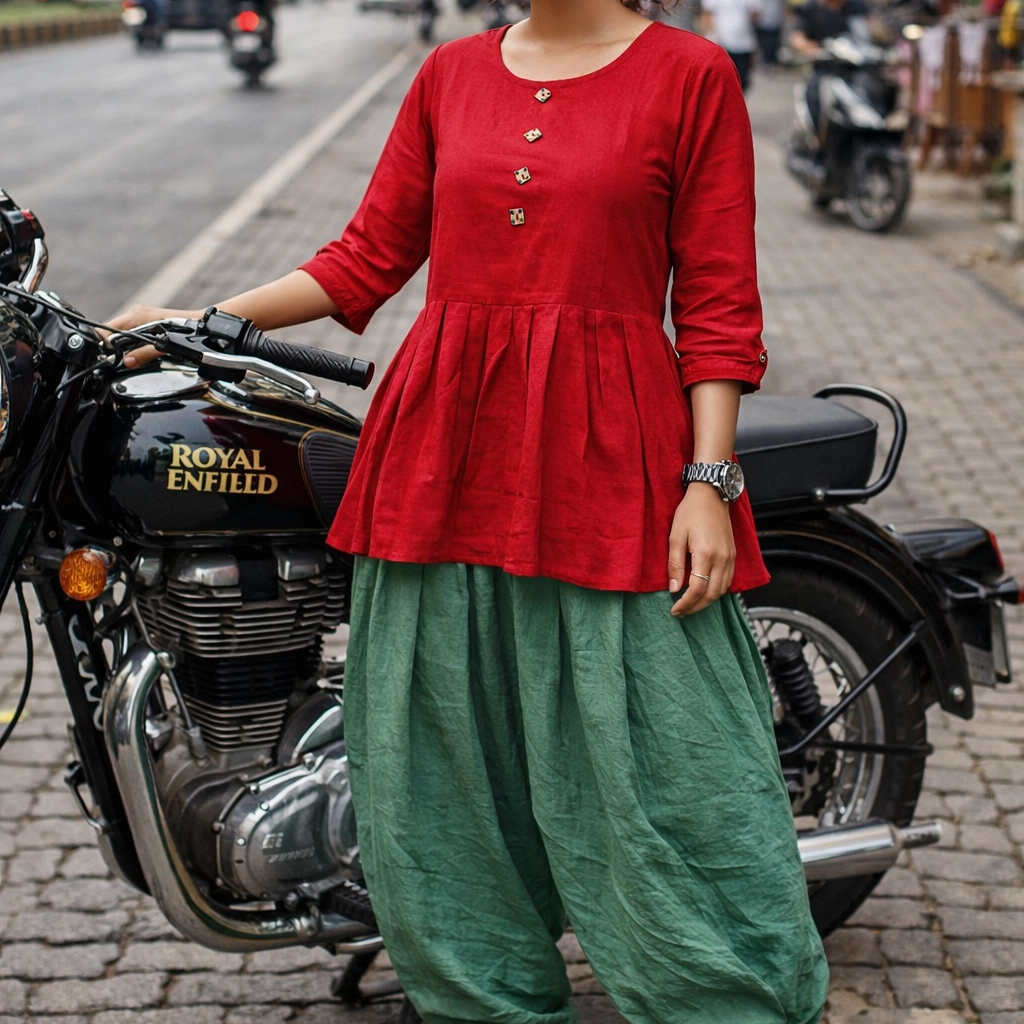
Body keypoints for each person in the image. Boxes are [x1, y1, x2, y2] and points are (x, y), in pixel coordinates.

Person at [110, 0, 830, 1020]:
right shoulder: (450, 72)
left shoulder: (690, 73)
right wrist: (200, 319)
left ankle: (723, 993)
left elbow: (715, 302)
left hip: (613, 450)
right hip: (445, 449)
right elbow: (366, 256)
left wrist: (707, 483)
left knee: (667, 753)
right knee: (443, 759)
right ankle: (480, 994)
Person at [789, 0, 868, 133]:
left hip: (856, 67)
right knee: (815, 92)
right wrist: (812, 48)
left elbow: (871, 31)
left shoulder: (856, 7)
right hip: (825, 67)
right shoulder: (810, 9)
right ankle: (816, 136)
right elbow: (796, 39)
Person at [701, 0, 763, 91]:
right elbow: (707, 13)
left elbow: (756, 12)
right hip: (722, 42)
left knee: (742, 79)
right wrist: (710, 34)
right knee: (723, 78)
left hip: (744, 42)